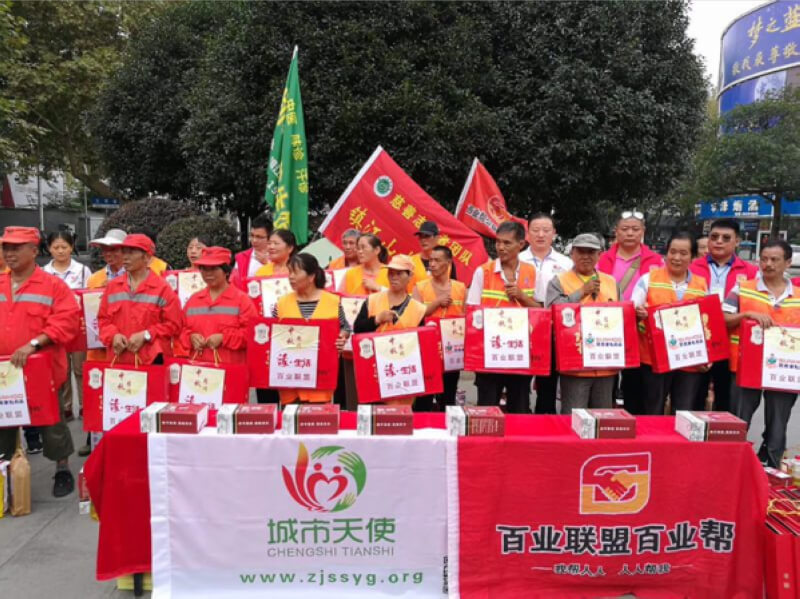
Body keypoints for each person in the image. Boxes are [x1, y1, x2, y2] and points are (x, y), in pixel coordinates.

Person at [0, 227, 80, 497]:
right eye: (6, 247)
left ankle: (62, 469)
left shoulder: (53, 286)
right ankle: (5, 472)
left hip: (42, 369)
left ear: (34, 251)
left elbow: (67, 320)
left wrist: (34, 343)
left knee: (51, 421)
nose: (9, 253)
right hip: (5, 371)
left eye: (16, 247)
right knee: (4, 422)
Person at [724, 240, 800, 468]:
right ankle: (733, 465)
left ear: (788, 262)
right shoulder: (743, 288)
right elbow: (723, 318)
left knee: (778, 423)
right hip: (746, 367)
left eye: (775, 259)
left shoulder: (798, 295)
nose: (768, 264)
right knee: (739, 420)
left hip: (784, 370)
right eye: (764, 259)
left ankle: (772, 468)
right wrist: (746, 315)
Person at [632, 232, 708, 415]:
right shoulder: (648, 280)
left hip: (689, 359)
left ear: (693, 257)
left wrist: (708, 356)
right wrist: (638, 313)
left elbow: (707, 322)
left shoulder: (702, 285)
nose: (677, 258)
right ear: (666, 254)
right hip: (654, 358)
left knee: (684, 412)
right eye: (672, 252)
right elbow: (631, 312)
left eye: (683, 253)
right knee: (652, 409)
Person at [467, 220, 540, 413]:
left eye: (507, 243)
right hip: (490, 353)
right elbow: (472, 313)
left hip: (519, 353)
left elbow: (541, 312)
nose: (500, 247)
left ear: (521, 244)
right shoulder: (483, 272)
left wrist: (522, 297)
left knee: (520, 407)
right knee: (487, 409)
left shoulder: (532, 272)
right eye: (498, 242)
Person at [597, 210, 663, 415]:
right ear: (616, 231)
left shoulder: (655, 261)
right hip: (607, 325)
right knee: (606, 377)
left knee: (635, 381)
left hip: (639, 327)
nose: (630, 233)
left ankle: (632, 418)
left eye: (635, 229)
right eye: (625, 229)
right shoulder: (603, 259)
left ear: (643, 232)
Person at [546, 233, 621, 414]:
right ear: (572, 254)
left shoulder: (611, 282)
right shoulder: (559, 281)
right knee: (573, 416)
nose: (586, 256)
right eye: (581, 251)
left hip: (605, 365)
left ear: (599, 255)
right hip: (575, 366)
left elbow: (621, 315)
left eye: (591, 252)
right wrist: (581, 292)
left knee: (602, 417)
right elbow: (552, 313)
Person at [690, 218, 758, 414]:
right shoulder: (692, 268)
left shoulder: (750, 272)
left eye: (726, 238)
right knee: (694, 400)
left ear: (737, 241)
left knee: (726, 402)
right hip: (697, 342)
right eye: (714, 237)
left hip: (732, 346)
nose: (719, 241)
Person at [273, 253, 350, 404]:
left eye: (296, 272)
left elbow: (345, 326)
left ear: (311, 276)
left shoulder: (332, 301)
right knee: (292, 417)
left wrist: (342, 337)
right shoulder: (282, 303)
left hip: (320, 376)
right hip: (291, 377)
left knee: (317, 417)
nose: (291, 277)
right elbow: (273, 334)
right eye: (290, 272)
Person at [97, 234, 183, 365]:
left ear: (147, 257)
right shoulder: (113, 287)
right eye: (124, 252)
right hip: (119, 359)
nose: (125, 257)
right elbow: (103, 320)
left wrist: (147, 335)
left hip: (151, 361)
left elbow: (174, 325)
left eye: (131, 252)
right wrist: (113, 336)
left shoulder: (163, 289)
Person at [353, 254, 426, 406]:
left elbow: (422, 346)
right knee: (375, 415)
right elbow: (357, 329)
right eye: (391, 273)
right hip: (374, 370)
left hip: (403, 374)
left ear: (410, 276)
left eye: (399, 273)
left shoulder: (418, 309)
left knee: (399, 414)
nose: (394, 277)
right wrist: (376, 320)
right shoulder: (373, 300)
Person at [520, 213, 572, 414]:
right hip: (522, 328)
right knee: (520, 381)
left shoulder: (566, 263)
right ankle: (522, 415)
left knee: (548, 381)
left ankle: (545, 416)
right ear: (527, 233)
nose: (540, 235)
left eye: (546, 230)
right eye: (535, 230)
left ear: (554, 233)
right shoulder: (516, 259)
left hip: (553, 329)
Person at [43, 231, 92, 421]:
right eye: (56, 247)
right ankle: (66, 407)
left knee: (81, 369)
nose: (60, 251)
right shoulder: (44, 273)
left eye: (64, 247)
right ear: (49, 249)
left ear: (71, 247)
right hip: (55, 329)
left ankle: (85, 406)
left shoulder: (83, 271)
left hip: (79, 329)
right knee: (61, 369)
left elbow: (90, 298)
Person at [180, 246, 257, 366]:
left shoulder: (242, 300)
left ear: (226, 271)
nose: (208, 273)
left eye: (214, 268)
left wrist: (224, 338)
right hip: (198, 370)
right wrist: (191, 337)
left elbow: (252, 334)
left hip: (231, 370)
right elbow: (180, 330)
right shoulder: (194, 300)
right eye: (204, 269)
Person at [412, 246, 465, 411]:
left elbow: (465, 317)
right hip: (428, 348)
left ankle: (447, 424)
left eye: (437, 260)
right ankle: (423, 423)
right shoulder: (420, 287)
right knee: (425, 396)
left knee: (449, 395)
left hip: (451, 350)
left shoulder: (460, 288)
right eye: (430, 260)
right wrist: (436, 302)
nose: (432, 264)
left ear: (448, 263)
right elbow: (415, 316)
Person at [230, 214, 272, 290]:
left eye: (259, 237)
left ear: (269, 238)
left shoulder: (279, 256)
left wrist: (268, 263)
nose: (254, 240)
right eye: (252, 235)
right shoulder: (241, 258)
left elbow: (284, 280)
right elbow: (234, 283)